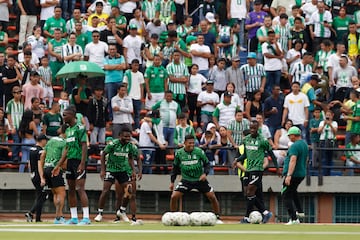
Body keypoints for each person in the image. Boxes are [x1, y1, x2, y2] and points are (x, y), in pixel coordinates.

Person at [169, 134, 223, 224]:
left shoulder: (199, 151)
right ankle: (173, 217)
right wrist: (172, 182)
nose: (192, 145)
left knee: (212, 196)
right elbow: (174, 168)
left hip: (199, 180)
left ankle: (217, 217)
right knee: (174, 196)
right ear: (185, 143)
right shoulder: (179, 153)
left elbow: (207, 164)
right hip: (186, 180)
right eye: (190, 143)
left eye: (193, 143)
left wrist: (205, 174)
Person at [52, 107, 90, 225]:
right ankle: (74, 218)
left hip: (79, 161)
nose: (63, 117)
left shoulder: (80, 128)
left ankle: (86, 218)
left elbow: (84, 145)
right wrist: (58, 165)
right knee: (71, 190)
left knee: (80, 188)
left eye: (65, 115)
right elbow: (67, 149)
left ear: (72, 115)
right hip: (70, 162)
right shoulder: (67, 130)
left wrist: (82, 163)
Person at [234, 120, 274, 224]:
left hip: (257, 169)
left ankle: (248, 217)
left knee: (251, 192)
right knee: (249, 194)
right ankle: (264, 213)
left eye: (254, 128)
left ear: (258, 129)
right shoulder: (246, 140)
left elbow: (270, 153)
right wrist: (237, 160)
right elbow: (245, 155)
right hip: (247, 171)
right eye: (250, 128)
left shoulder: (262, 140)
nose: (252, 130)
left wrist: (277, 167)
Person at [94, 127, 137, 224]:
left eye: (129, 136)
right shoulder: (113, 144)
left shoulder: (129, 146)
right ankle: (100, 213)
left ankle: (121, 211)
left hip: (122, 170)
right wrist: (103, 170)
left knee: (129, 191)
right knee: (105, 190)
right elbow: (103, 154)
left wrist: (133, 170)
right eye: (125, 136)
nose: (127, 138)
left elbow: (131, 157)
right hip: (111, 169)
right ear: (120, 136)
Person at [282, 126, 308, 225]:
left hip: (294, 174)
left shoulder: (295, 146)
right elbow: (305, 159)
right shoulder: (304, 144)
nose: (289, 137)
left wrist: (289, 175)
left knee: (285, 194)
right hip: (301, 173)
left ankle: (293, 218)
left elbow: (293, 160)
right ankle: (300, 211)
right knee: (293, 191)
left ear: (293, 135)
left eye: (290, 135)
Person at [24, 134, 48, 223]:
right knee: (42, 196)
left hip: (33, 174)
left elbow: (29, 163)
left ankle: (35, 215)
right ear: (42, 140)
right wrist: (42, 178)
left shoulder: (32, 149)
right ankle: (32, 214)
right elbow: (40, 164)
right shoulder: (40, 151)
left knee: (41, 195)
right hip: (38, 175)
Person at [123, 59, 145, 131]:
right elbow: (125, 85)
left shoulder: (140, 74)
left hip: (137, 97)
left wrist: (141, 96)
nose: (136, 67)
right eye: (134, 65)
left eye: (137, 65)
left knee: (137, 114)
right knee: (128, 113)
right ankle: (129, 128)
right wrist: (125, 95)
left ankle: (137, 127)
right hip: (129, 96)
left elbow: (141, 86)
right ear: (131, 65)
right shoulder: (127, 73)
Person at [318, 110, 338, 176]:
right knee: (323, 158)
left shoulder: (334, 123)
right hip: (323, 140)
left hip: (330, 140)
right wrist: (324, 124)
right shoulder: (321, 122)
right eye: (327, 115)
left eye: (329, 115)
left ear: (332, 115)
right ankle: (323, 173)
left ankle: (328, 173)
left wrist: (330, 125)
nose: (328, 116)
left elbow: (335, 132)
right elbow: (319, 131)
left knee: (329, 157)